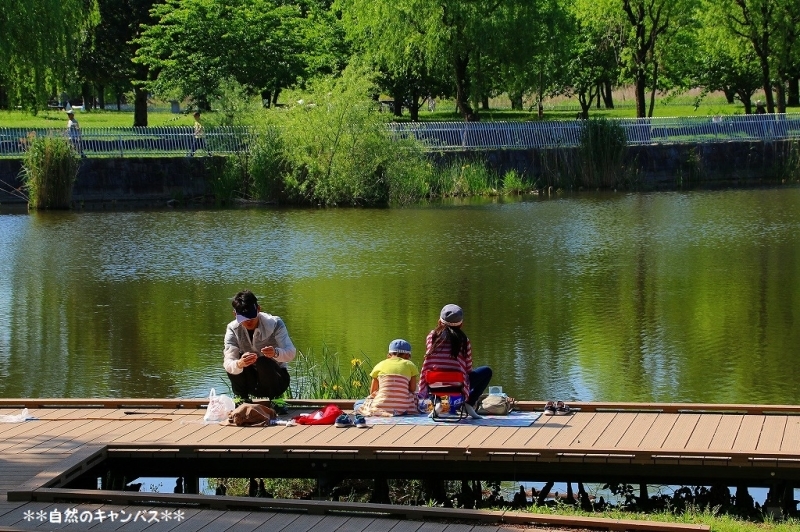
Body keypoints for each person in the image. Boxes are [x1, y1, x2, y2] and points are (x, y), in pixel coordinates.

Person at [417, 304, 492, 419]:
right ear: (461, 324)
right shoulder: (464, 340)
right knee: (486, 371)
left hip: (433, 383)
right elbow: (468, 368)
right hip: (458, 385)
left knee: (430, 373)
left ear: (439, 321)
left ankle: (437, 403)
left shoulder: (432, 336)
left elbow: (429, 361)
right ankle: (469, 403)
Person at [223, 290, 296, 403]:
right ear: (235, 315)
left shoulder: (275, 323)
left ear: (258, 309)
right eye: (244, 318)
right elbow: (228, 362)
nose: (249, 321)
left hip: (277, 380)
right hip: (251, 382)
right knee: (235, 361)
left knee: (263, 361)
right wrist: (240, 363)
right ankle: (242, 398)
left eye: (251, 316)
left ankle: (276, 399)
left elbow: (291, 353)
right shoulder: (232, 328)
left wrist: (275, 353)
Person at [356, 339, 420, 417]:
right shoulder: (410, 365)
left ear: (389, 354)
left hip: (379, 407)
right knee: (414, 398)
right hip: (404, 408)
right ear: (407, 355)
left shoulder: (380, 365)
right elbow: (412, 389)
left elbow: (372, 391)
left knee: (358, 403)